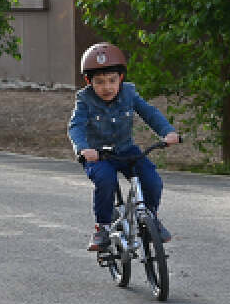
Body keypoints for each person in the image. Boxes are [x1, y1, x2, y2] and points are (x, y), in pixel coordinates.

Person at [68, 42, 180, 251]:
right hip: (99, 155)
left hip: (126, 150)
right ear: (88, 81)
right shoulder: (84, 100)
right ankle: (102, 227)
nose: (107, 87)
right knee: (105, 180)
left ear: (121, 78)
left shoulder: (129, 93)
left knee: (152, 180)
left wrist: (167, 132)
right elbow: (76, 127)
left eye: (112, 80)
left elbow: (150, 113)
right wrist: (83, 149)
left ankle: (151, 217)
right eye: (99, 82)